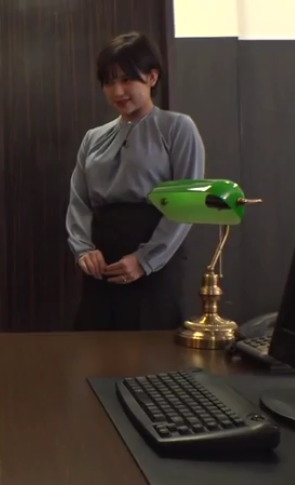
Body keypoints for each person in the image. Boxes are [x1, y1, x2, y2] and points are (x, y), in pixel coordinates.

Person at [66, 31, 205, 331]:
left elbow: (188, 203)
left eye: (127, 79)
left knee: (151, 347)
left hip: (156, 258)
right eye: (109, 81)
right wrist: (83, 249)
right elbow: (79, 202)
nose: (117, 91)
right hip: (101, 261)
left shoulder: (177, 127)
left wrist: (145, 259)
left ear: (152, 77)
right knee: (95, 346)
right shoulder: (93, 138)